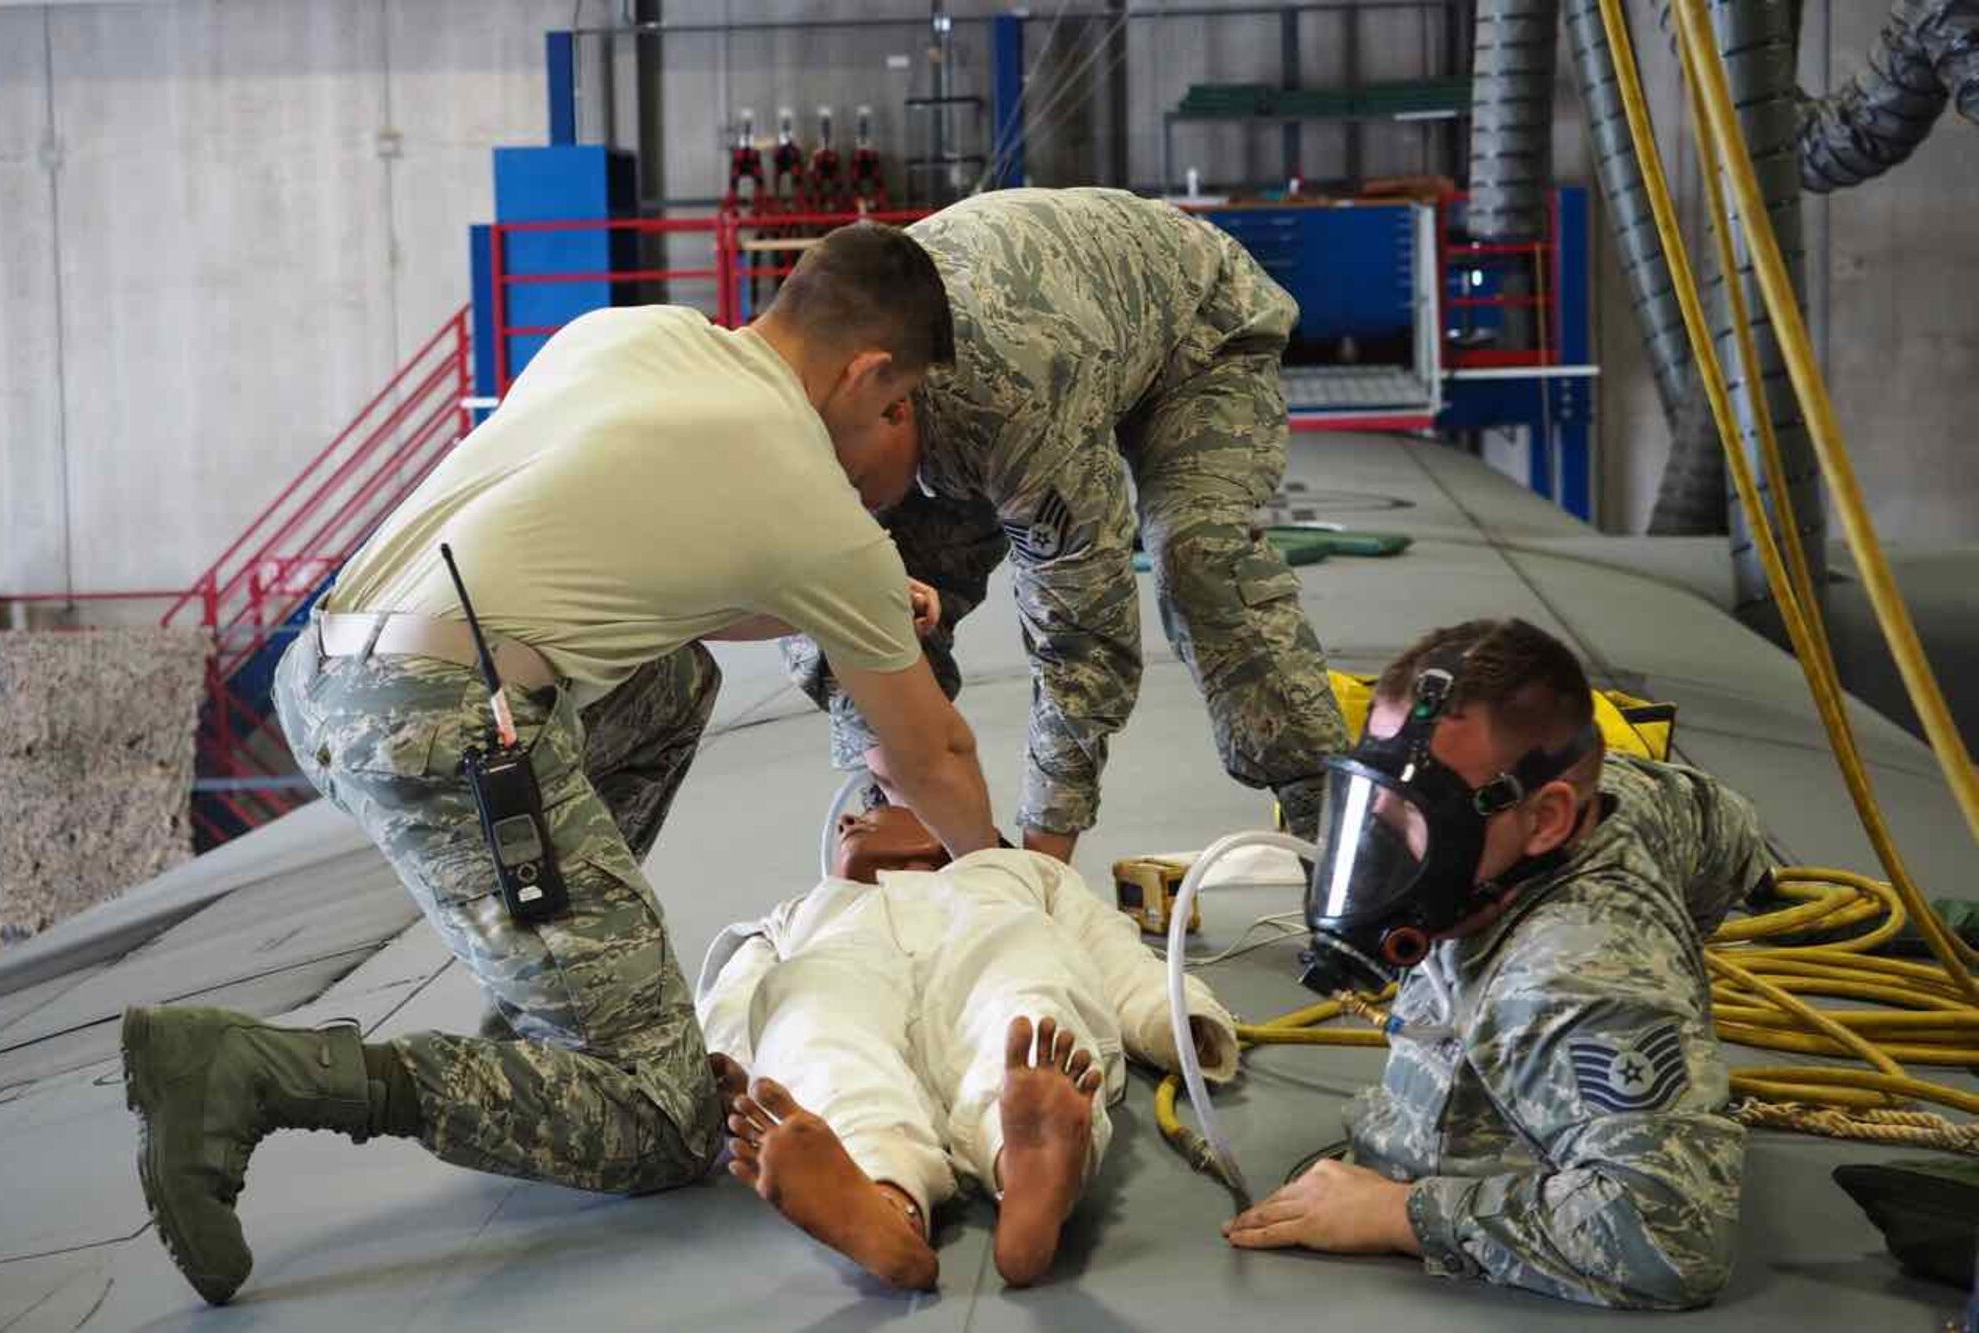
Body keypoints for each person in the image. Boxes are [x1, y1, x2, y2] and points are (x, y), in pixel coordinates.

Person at [119, 223, 1000, 1307]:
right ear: (867, 371)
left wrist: (848, 608)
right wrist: (1012, 894)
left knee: (673, 680)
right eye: (889, 405)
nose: (883, 430)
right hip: (441, 718)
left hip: (326, 670)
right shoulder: (804, 491)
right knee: (662, 1122)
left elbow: (647, 577)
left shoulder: (634, 335)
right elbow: (934, 752)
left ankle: (556, 1002)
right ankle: (254, 1074)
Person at [783, 187, 1349, 865]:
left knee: (1202, 560)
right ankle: (917, 847)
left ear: (893, 407)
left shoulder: (1013, 406)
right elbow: (833, 609)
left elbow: (1084, 639)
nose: (855, 507)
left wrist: (1039, 877)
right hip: (1037, 348)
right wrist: (909, 808)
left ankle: (1342, 839)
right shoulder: (792, 406)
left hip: (1194, 333)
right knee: (871, 590)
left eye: (855, 486)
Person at [1223, 618, 1764, 1310]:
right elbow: (1727, 825)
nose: (1383, 846)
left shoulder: (1573, 973)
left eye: (1424, 814)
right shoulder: (1615, 793)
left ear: (1547, 821)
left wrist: (1402, 1214)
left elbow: (1670, 1237)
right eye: (1375, 801)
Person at [697, 805, 1240, 1290]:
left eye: (881, 807)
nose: (847, 820)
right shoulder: (796, 913)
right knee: (816, 1032)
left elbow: (1109, 946)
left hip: (981, 933)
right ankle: (882, 1206)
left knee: (1024, 1006)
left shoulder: (1011, 870)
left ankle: (1029, 1165)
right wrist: (732, 1068)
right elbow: (739, 994)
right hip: (842, 957)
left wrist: (1171, 1019)